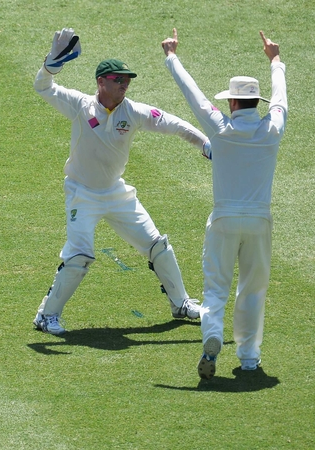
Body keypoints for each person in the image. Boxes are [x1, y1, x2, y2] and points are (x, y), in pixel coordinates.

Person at [32, 28, 211, 335]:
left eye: (127, 80)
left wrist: (206, 143)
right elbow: (43, 87)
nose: (124, 85)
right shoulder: (79, 105)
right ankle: (46, 316)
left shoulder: (133, 111)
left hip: (116, 192)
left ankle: (180, 304)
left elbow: (172, 123)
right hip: (82, 193)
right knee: (79, 256)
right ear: (101, 82)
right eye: (118, 80)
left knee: (157, 245)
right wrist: (51, 65)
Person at [161, 29, 288, 379]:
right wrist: (275, 60)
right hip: (260, 222)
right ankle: (248, 358)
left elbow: (194, 96)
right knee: (253, 288)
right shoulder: (272, 129)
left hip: (224, 220)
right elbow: (281, 99)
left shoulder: (220, 128)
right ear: (255, 103)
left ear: (232, 103)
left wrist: (172, 56)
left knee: (215, 288)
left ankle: (212, 336)